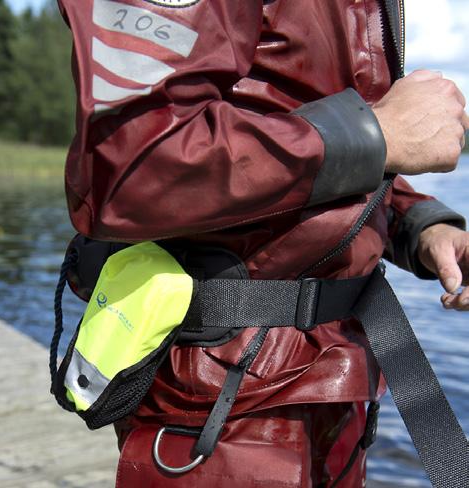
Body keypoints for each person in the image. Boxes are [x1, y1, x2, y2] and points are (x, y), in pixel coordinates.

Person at [56, 0, 469, 486]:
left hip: (337, 390)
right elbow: (131, 169)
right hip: (222, 409)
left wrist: (423, 225)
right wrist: (376, 132)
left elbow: (305, 143)